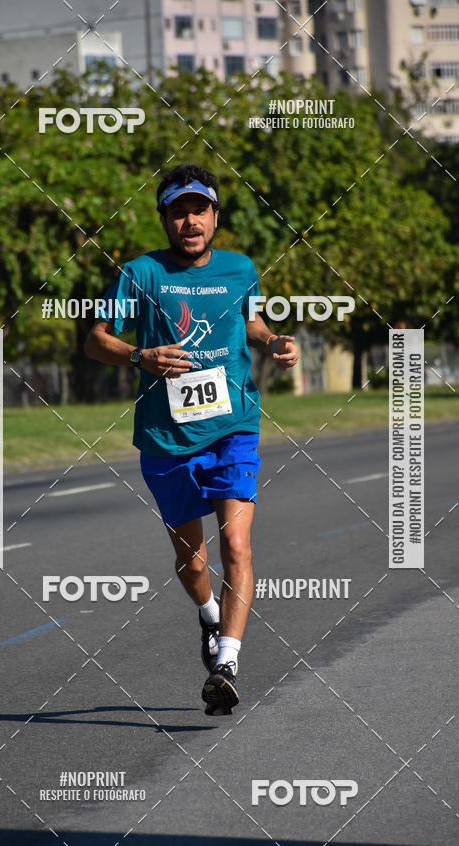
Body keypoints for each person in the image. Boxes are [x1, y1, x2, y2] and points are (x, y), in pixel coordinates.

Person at [85, 163, 298, 715]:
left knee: (237, 546)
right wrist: (140, 355)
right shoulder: (141, 273)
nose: (190, 221)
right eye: (178, 212)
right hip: (166, 437)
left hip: (234, 425)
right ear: (164, 219)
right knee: (194, 562)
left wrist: (272, 340)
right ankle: (208, 616)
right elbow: (95, 339)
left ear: (215, 216)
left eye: (199, 210)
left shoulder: (240, 268)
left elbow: (250, 321)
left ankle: (226, 663)